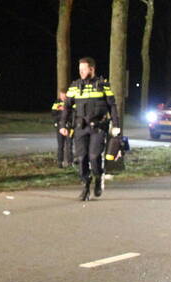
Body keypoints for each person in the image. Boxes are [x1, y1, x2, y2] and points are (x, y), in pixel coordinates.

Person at [61, 57, 121, 201]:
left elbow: (112, 106)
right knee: (82, 158)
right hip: (80, 127)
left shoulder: (103, 86)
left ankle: (99, 178)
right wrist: (63, 124)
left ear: (92, 69)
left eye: (84, 69)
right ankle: (86, 185)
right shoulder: (75, 87)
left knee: (94, 157)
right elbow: (67, 107)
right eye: (80, 70)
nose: (81, 72)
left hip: (98, 127)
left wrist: (116, 125)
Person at [51, 90, 73, 168]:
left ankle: (70, 162)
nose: (63, 97)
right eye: (61, 95)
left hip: (69, 127)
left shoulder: (70, 102)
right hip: (59, 127)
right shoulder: (57, 102)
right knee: (60, 145)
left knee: (69, 145)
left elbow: (73, 114)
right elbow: (53, 113)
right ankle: (60, 162)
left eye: (64, 95)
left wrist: (64, 110)